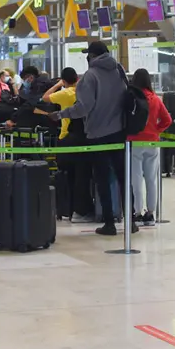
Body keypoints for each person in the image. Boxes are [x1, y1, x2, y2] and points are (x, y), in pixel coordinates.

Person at [52, 40, 136, 236]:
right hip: (119, 131)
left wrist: (60, 115)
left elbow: (84, 107)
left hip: (97, 134)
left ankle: (109, 223)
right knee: (123, 176)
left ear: (91, 56)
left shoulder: (90, 76)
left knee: (103, 179)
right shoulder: (119, 70)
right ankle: (130, 220)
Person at [42, 67, 94, 222]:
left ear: (64, 81)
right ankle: (82, 210)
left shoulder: (64, 93)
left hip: (66, 138)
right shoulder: (84, 92)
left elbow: (45, 98)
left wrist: (58, 85)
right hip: (85, 137)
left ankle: (68, 209)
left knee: (68, 177)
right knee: (83, 177)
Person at [128, 69, 172, 226]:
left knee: (136, 178)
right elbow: (167, 120)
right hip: (153, 142)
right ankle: (150, 213)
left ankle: (137, 212)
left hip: (134, 141)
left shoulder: (131, 97)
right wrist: (156, 130)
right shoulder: (155, 99)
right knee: (152, 179)